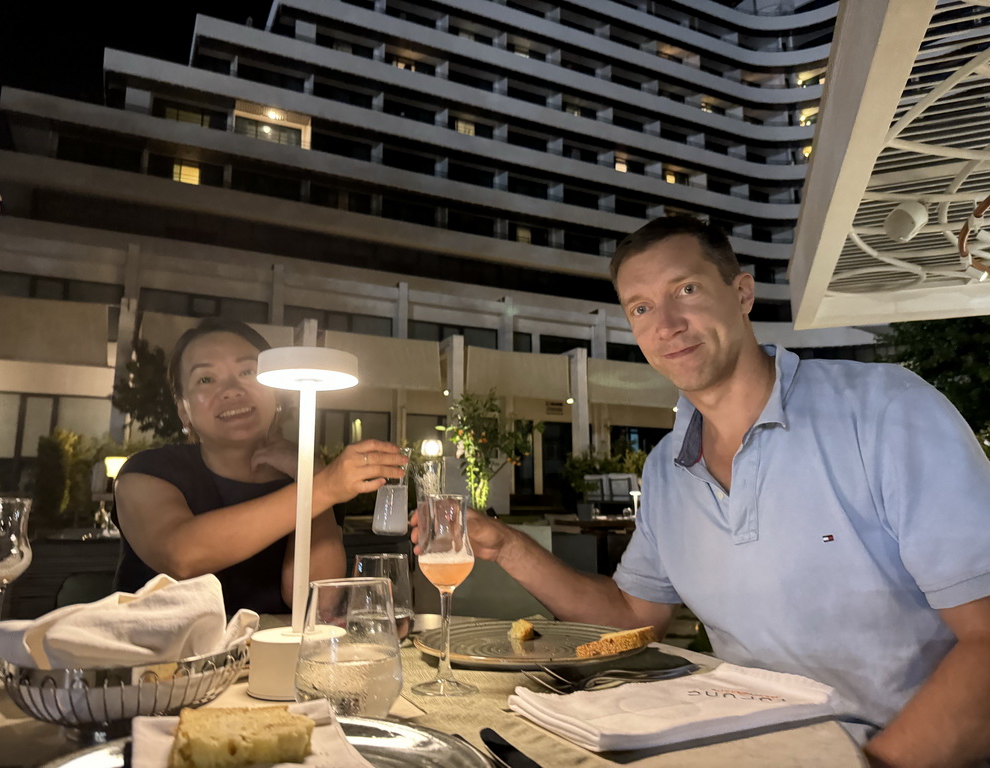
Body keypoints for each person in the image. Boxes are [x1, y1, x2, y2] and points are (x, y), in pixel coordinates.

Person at [424, 215, 990, 767]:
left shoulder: (885, 412)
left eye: (686, 289)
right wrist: (505, 547)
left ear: (742, 293)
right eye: (641, 307)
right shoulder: (668, 469)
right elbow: (631, 620)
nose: (665, 323)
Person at [114, 317, 405, 615]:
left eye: (248, 371)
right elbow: (182, 555)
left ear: (276, 392)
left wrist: (311, 471)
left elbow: (318, 602)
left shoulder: (311, 484)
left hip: (271, 659)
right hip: (164, 659)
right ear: (183, 409)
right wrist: (322, 485)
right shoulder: (147, 472)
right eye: (205, 379)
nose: (231, 389)